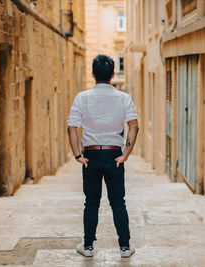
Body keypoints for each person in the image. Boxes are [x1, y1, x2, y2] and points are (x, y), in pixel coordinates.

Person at [67, 54, 139, 258]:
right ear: (112, 75)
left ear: (92, 74)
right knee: (118, 202)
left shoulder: (82, 98)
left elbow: (71, 127)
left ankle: (88, 247)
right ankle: (125, 247)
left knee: (91, 202)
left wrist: (77, 156)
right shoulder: (124, 98)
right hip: (113, 155)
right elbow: (134, 126)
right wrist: (125, 155)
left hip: (90, 156)